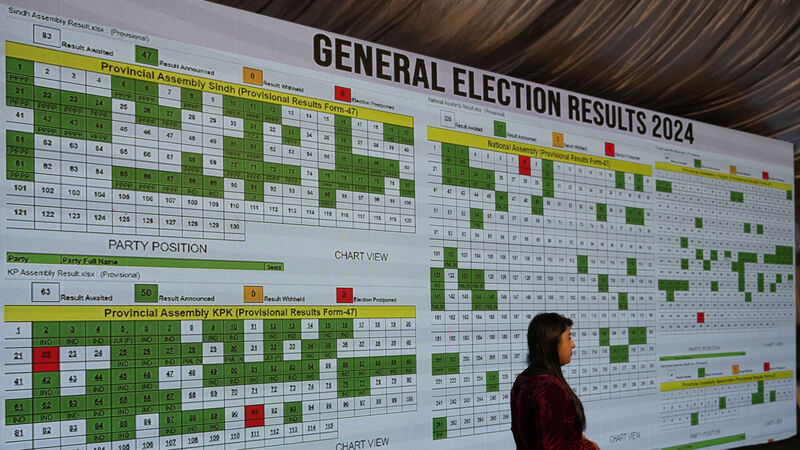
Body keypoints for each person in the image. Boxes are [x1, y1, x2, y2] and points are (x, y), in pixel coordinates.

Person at [510, 312, 599, 449]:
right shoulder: (549, 387)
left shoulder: (522, 380)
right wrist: (589, 447)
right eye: (569, 338)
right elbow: (553, 447)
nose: (573, 345)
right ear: (553, 342)